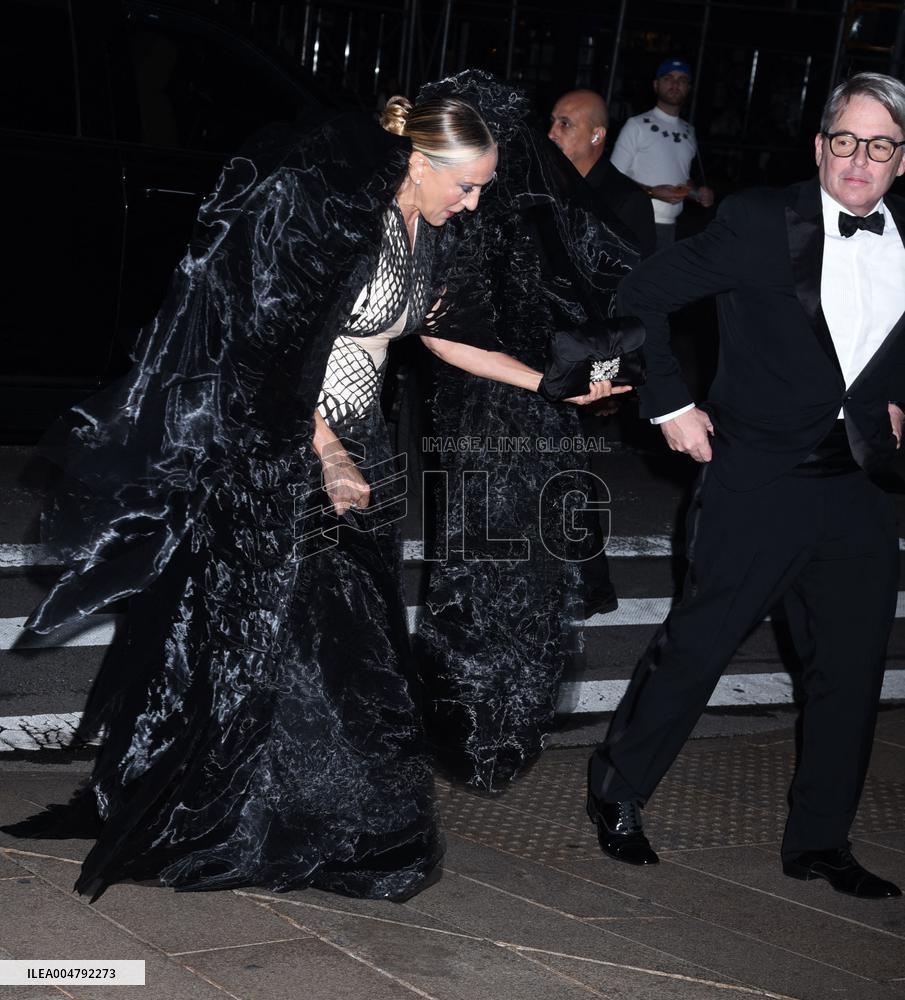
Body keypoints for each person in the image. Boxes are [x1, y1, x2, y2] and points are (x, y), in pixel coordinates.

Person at [6, 71, 616, 902]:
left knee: (326, 639)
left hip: (363, 453)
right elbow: (279, 353)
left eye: (482, 188)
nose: (473, 202)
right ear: (420, 162)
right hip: (288, 449)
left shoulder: (428, 234)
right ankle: (325, 823)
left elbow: (446, 339)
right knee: (324, 641)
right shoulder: (340, 220)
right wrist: (326, 456)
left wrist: (547, 383)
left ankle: (295, 813)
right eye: (467, 185)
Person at [586, 72, 905, 900]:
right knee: (699, 646)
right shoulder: (761, 220)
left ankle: (819, 842)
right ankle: (617, 788)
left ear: (901, 160)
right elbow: (639, 295)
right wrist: (670, 405)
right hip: (757, 479)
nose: (859, 159)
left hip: (861, 489)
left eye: (878, 145)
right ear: (819, 147)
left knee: (850, 672)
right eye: (845, 140)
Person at [416, 86, 641, 792]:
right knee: (500, 561)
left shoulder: (508, 212)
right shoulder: (494, 210)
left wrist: (581, 379)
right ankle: (490, 721)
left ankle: (488, 722)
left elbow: (608, 306)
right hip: (507, 404)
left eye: (565, 123)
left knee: (503, 562)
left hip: (514, 406)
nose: (549, 134)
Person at [610, 58, 714, 249]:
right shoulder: (636, 125)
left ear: (689, 88)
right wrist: (652, 192)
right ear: (656, 85)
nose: (675, 83)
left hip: (669, 227)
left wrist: (697, 194)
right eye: (668, 78)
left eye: (682, 79)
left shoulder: (689, 131)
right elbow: (613, 177)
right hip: (635, 220)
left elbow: (682, 178)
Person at [549, 88, 656, 259]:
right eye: (553, 121)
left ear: (596, 136)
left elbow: (639, 270)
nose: (551, 134)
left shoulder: (628, 200)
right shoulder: (547, 181)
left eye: (565, 124)